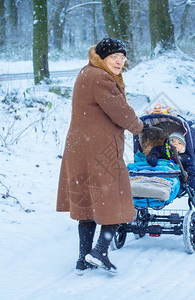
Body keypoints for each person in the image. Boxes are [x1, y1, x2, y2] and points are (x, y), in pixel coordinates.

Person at [56, 38, 143, 275]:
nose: (119, 61)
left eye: (123, 58)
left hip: (82, 149)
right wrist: (140, 127)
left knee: (88, 204)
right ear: (103, 57)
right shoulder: (100, 78)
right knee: (117, 198)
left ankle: (83, 259)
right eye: (115, 56)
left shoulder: (87, 73)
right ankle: (100, 251)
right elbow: (120, 111)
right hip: (100, 151)